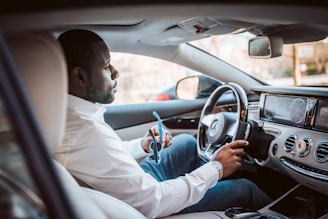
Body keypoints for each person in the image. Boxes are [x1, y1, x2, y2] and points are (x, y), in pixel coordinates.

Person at [55, 29, 271, 218]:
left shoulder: (66, 118)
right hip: (146, 206)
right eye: (106, 66)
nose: (115, 72)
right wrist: (216, 168)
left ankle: (201, 190)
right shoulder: (84, 132)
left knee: (186, 143)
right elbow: (152, 201)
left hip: (130, 189)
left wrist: (142, 145)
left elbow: (102, 161)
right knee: (245, 189)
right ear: (79, 76)